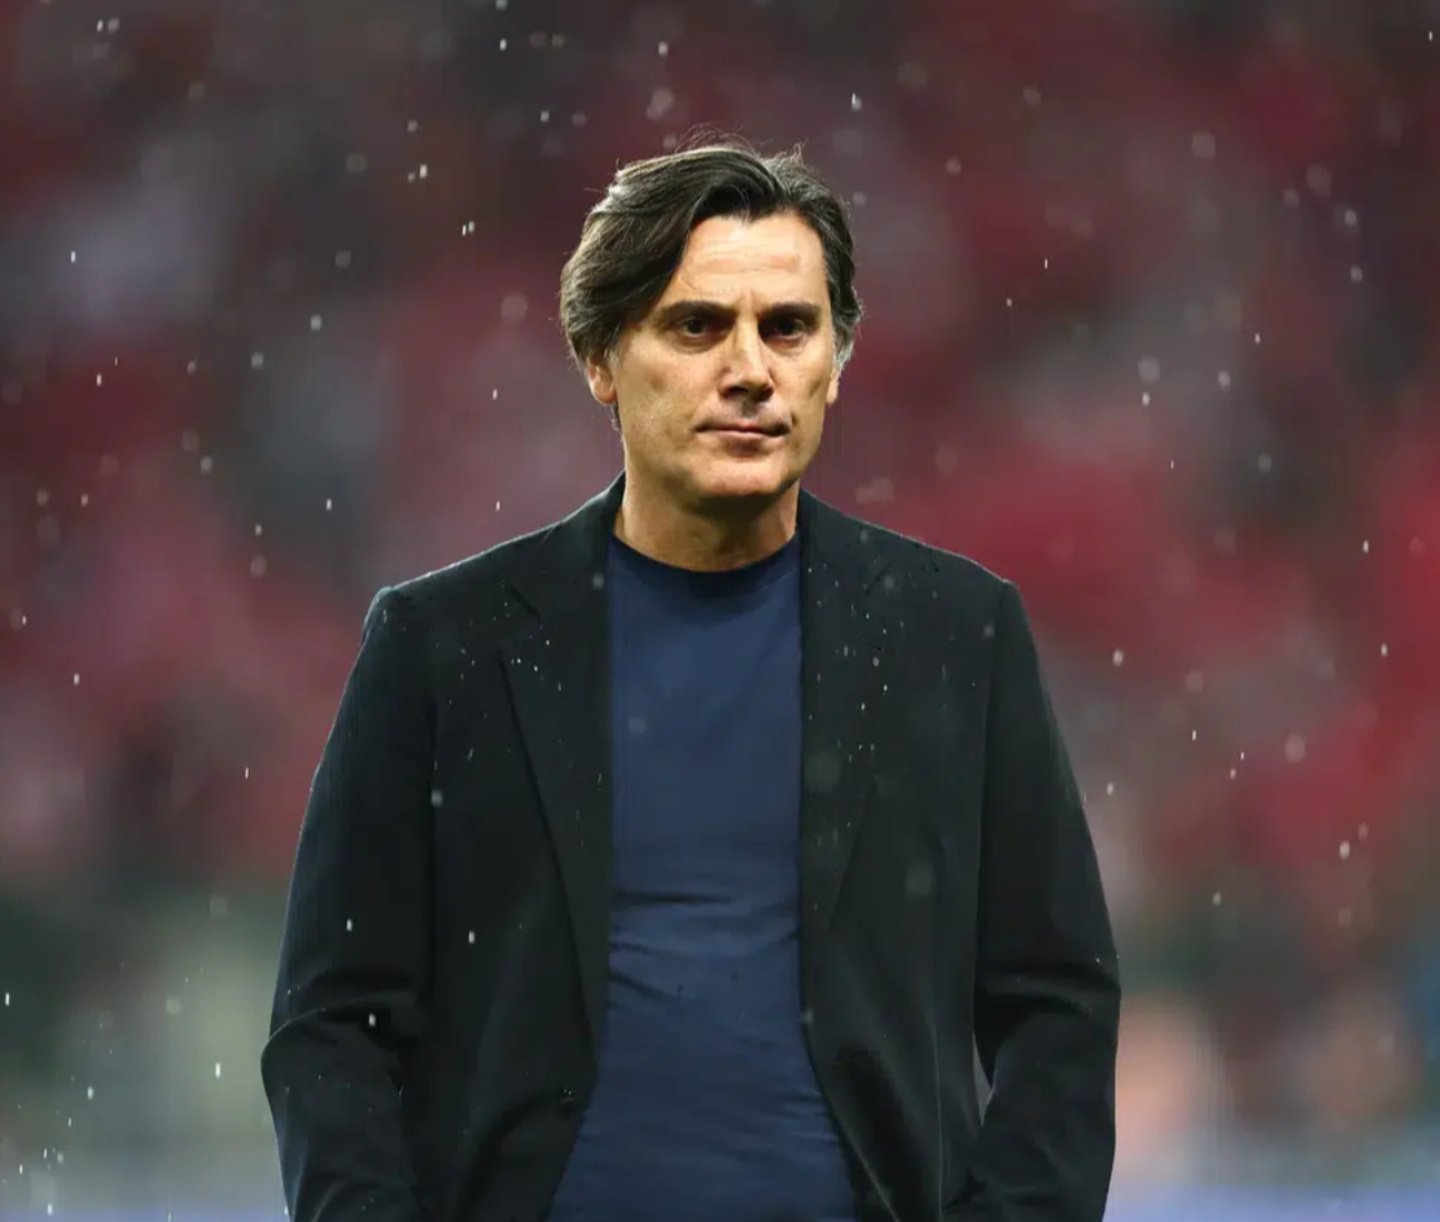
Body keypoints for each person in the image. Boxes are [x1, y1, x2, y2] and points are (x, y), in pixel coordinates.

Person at [261, 136, 1120, 1222]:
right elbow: (332, 1022)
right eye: (697, 326)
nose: (751, 369)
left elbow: (1056, 1003)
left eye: (789, 328)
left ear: (836, 363)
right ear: (600, 358)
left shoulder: (955, 635)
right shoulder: (443, 648)